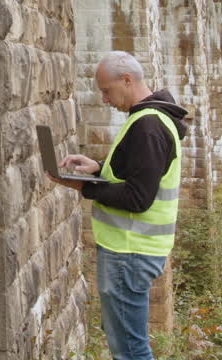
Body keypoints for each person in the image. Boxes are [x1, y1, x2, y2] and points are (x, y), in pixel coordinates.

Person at [46, 51, 189, 360]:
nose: (104, 99)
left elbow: (138, 198)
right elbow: (138, 173)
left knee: (130, 350)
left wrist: (83, 187)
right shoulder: (148, 118)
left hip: (130, 251)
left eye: (106, 90)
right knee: (128, 346)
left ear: (127, 80)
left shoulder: (148, 127)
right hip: (133, 249)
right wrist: (97, 168)